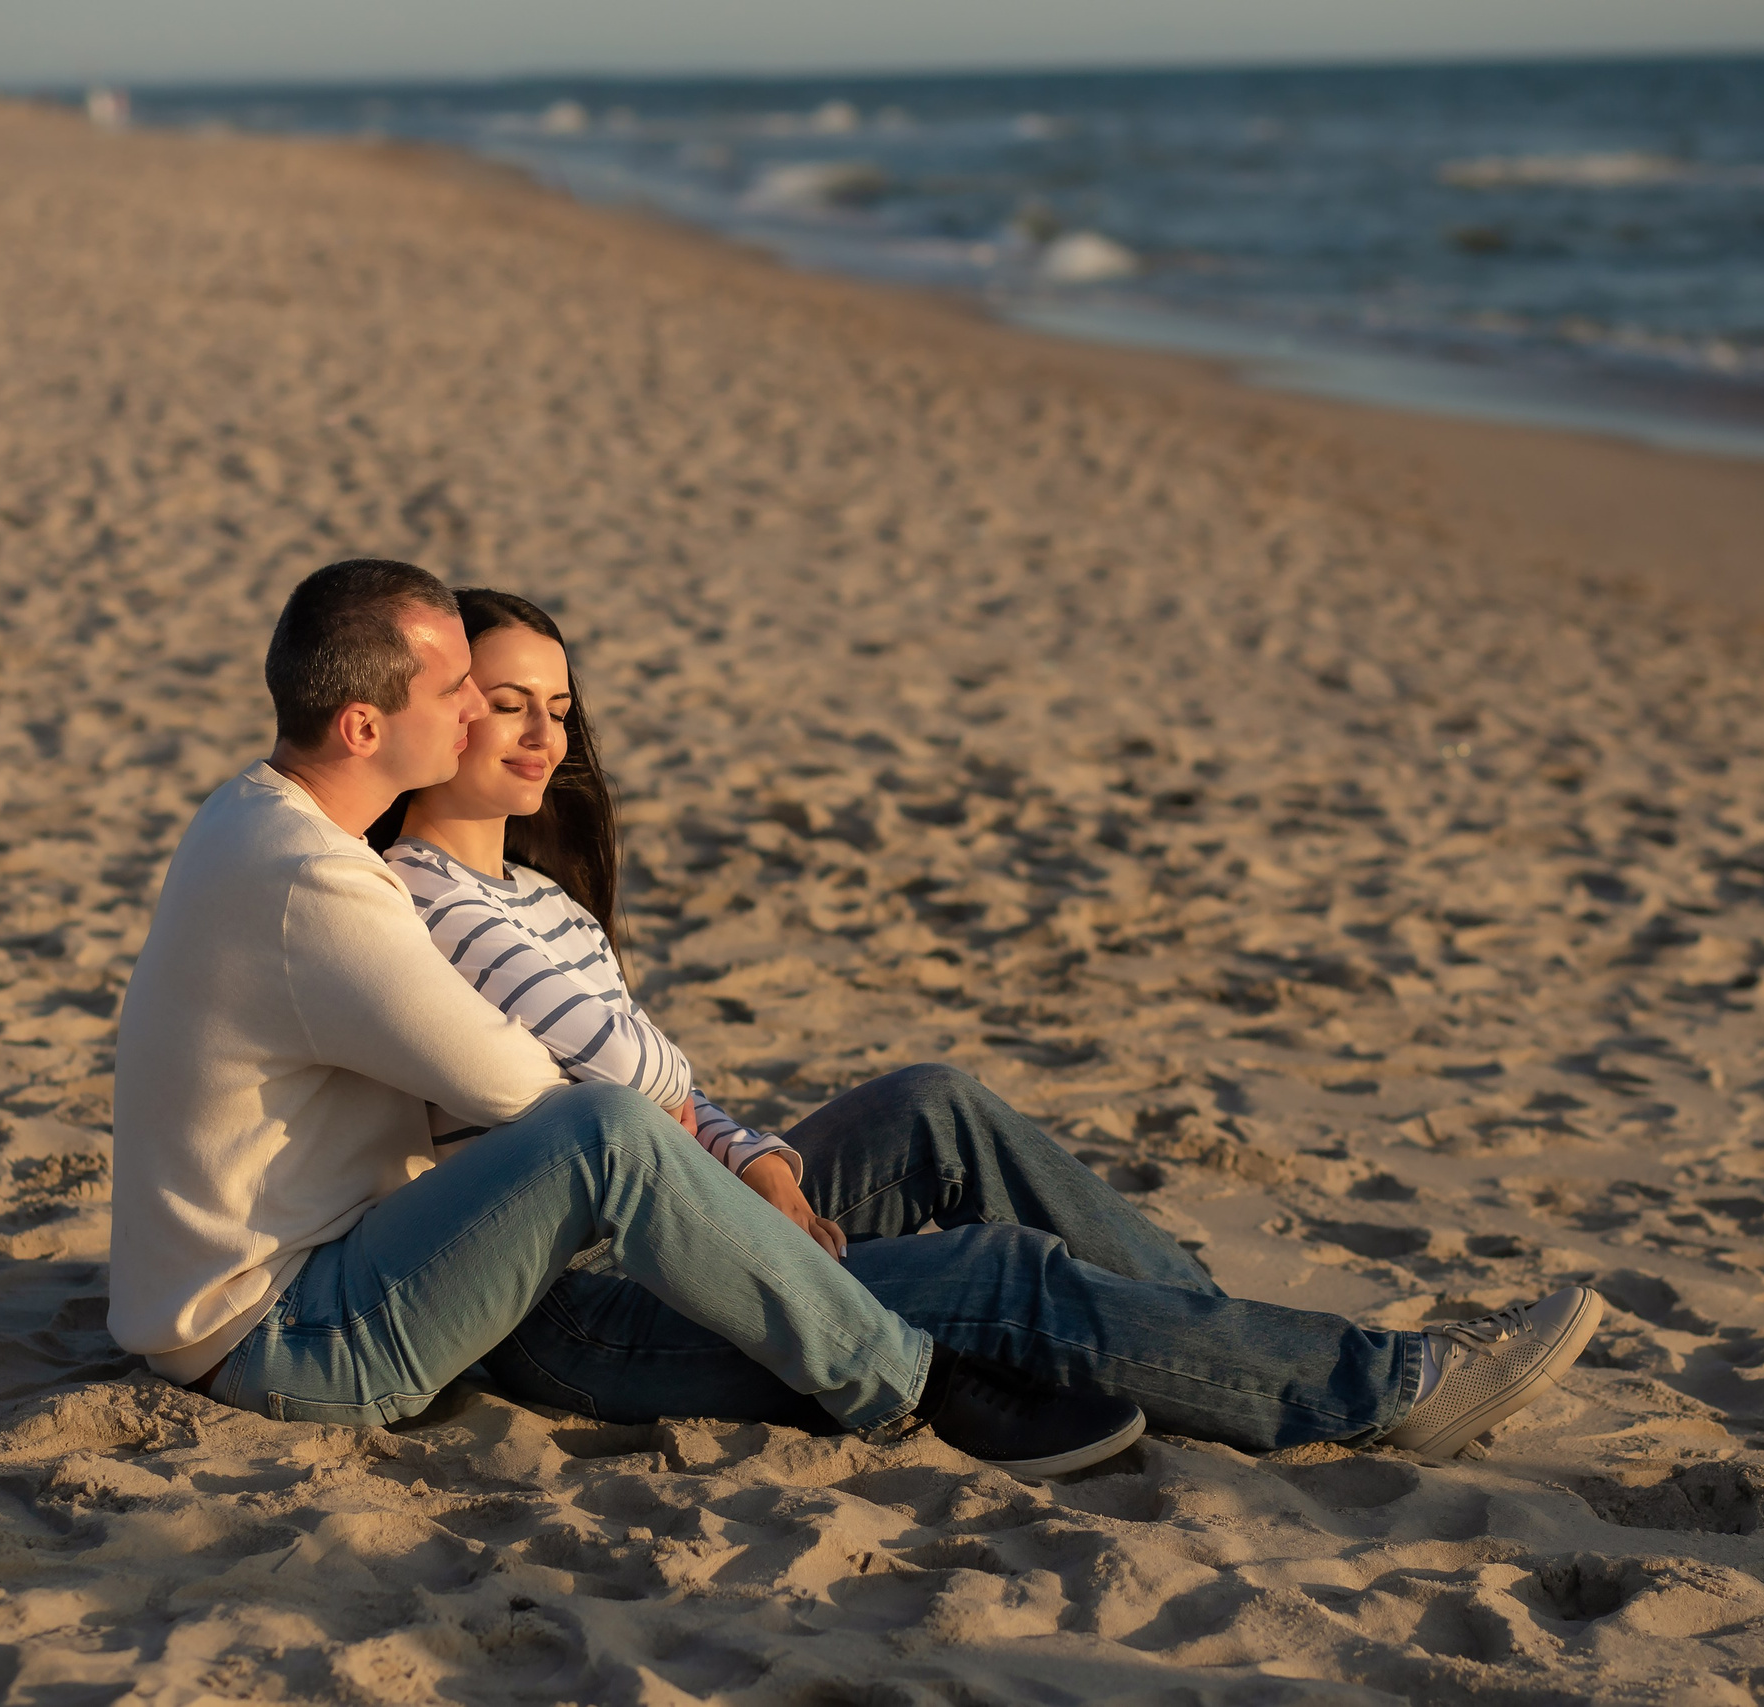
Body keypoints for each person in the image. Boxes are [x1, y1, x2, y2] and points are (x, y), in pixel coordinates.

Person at [366, 584, 1602, 1461]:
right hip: (577, 1311)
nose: (546, 733)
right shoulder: (425, 899)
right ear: (441, 713)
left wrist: (769, 1161)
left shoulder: (535, 898)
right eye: (508, 702)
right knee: (988, 1272)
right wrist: (753, 1170)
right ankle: (1379, 1390)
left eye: (559, 705)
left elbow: (658, 1090)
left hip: (675, 1223)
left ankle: (1201, 1335)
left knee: (933, 1104)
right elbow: (632, 1069)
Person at [111, 558, 1146, 1479]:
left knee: (703, 1124)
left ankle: (1150, 1306)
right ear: (364, 727)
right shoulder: (317, 883)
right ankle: (909, 1384)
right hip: (286, 1337)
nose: (475, 710)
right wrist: (705, 1138)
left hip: (280, 1283)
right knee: (596, 1130)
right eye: (456, 691)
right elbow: (530, 1090)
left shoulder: (247, 812)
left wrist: (734, 1157)